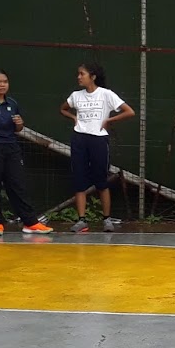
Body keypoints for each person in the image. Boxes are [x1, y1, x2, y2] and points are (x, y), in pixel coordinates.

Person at [0, 68, 52, 235]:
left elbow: (17, 129)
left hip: (11, 147)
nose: (2, 85)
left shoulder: (12, 103)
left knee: (18, 184)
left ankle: (30, 222)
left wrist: (19, 124)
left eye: (5, 82)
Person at [59, 61, 134, 233]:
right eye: (78, 74)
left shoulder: (106, 94)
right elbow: (63, 109)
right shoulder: (76, 96)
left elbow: (129, 111)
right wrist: (73, 118)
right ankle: (81, 220)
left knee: (101, 180)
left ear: (92, 77)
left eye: (82, 74)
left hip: (99, 140)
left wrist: (109, 120)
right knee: (79, 180)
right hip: (79, 139)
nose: (79, 77)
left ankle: (106, 219)